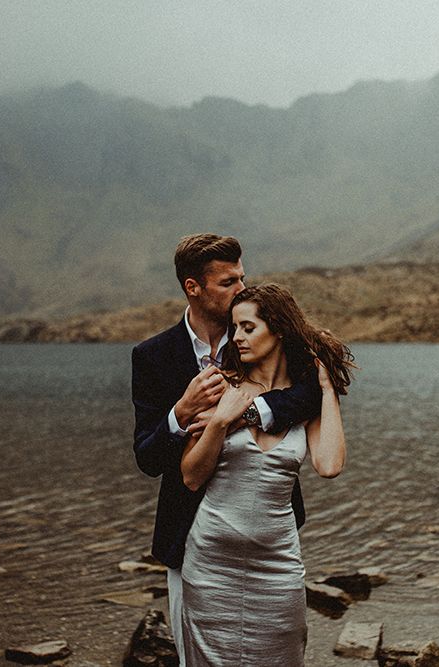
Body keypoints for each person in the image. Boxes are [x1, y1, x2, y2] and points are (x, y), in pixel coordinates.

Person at [131, 234, 322, 658]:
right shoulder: (153, 356)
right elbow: (147, 457)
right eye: (227, 282)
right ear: (192, 288)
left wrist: (249, 411)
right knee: (194, 655)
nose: (241, 289)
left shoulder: (264, 338)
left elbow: (312, 394)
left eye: (242, 277)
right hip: (188, 536)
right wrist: (180, 413)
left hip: (266, 535)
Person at [179, 283, 354, 666]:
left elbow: (329, 465)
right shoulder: (220, 385)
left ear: (277, 328)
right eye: (234, 328)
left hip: (278, 564)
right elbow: (191, 476)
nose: (236, 337)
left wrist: (326, 390)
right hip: (212, 562)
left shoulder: (303, 398)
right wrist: (220, 422)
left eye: (247, 327)